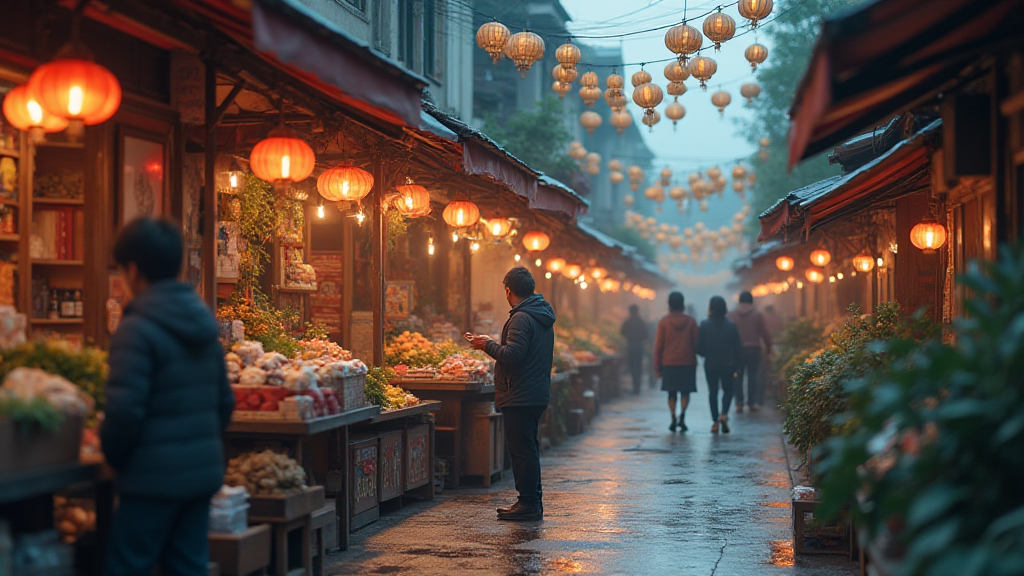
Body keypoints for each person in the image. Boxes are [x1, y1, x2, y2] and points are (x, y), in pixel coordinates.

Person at [101, 217, 234, 575]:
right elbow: (225, 402)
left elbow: (124, 411)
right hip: (200, 475)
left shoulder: (137, 328)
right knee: (187, 566)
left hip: (150, 478)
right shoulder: (203, 322)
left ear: (132, 269)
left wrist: (113, 455)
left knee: (129, 565)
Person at [471, 266, 555, 522]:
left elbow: (513, 355)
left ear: (508, 291)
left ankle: (528, 502)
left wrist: (487, 345)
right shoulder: (539, 314)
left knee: (522, 450)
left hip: (521, 393)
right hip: (533, 391)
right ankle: (531, 499)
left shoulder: (521, 317)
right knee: (527, 448)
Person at [696, 296, 744, 434]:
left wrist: (708, 354)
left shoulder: (704, 325)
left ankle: (715, 421)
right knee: (728, 390)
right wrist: (737, 364)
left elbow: (698, 348)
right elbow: (738, 348)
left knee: (713, 392)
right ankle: (724, 414)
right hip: (728, 363)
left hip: (710, 364)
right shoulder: (731, 326)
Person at [653, 291, 699, 432]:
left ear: (669, 304)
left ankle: (673, 416)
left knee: (671, 393)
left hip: (669, 362)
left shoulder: (664, 322)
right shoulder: (691, 322)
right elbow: (697, 343)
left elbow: (659, 347)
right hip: (688, 362)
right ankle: (682, 416)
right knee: (685, 392)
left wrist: (657, 367)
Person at [729, 291, 773, 412]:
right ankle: (751, 403)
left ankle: (739, 403)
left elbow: (729, 333)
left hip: (737, 350)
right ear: (751, 300)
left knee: (737, 376)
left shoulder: (733, 314)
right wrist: (769, 348)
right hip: (754, 349)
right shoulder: (757, 314)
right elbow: (764, 332)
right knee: (753, 376)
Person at [620, 305, 648, 394]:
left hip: (630, 346)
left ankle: (635, 386)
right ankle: (637, 386)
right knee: (638, 367)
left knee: (632, 367)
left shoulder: (627, 322)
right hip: (639, 346)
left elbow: (622, 332)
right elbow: (646, 335)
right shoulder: (641, 322)